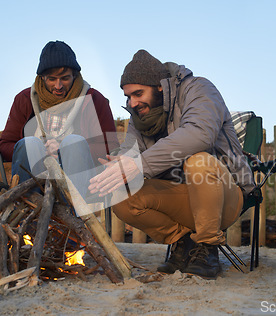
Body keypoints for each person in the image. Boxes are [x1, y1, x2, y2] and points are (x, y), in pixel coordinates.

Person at [89, 49, 255, 279]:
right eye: (128, 96)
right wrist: (114, 167)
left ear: (159, 86)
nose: (132, 103)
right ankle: (183, 243)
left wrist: (139, 164)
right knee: (122, 193)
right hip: (180, 196)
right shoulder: (139, 117)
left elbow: (200, 134)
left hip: (226, 194)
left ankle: (207, 247)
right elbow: (129, 152)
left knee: (199, 162)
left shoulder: (199, 89)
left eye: (138, 93)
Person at [0, 41, 119, 197]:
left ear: (75, 76)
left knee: (73, 142)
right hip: (35, 177)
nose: (58, 86)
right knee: (29, 143)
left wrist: (65, 149)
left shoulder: (94, 100)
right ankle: (28, 210)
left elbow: (110, 147)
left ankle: (75, 213)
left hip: (82, 180)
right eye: (51, 79)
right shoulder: (25, 99)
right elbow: (5, 146)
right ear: (41, 78)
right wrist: (39, 150)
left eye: (65, 78)